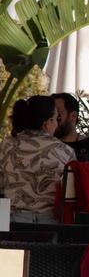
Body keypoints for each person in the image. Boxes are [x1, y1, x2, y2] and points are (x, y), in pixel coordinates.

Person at [0, 95, 76, 223]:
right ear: (47, 123)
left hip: (11, 223)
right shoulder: (65, 151)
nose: (57, 123)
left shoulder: (7, 145)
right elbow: (69, 195)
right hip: (50, 225)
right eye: (56, 119)